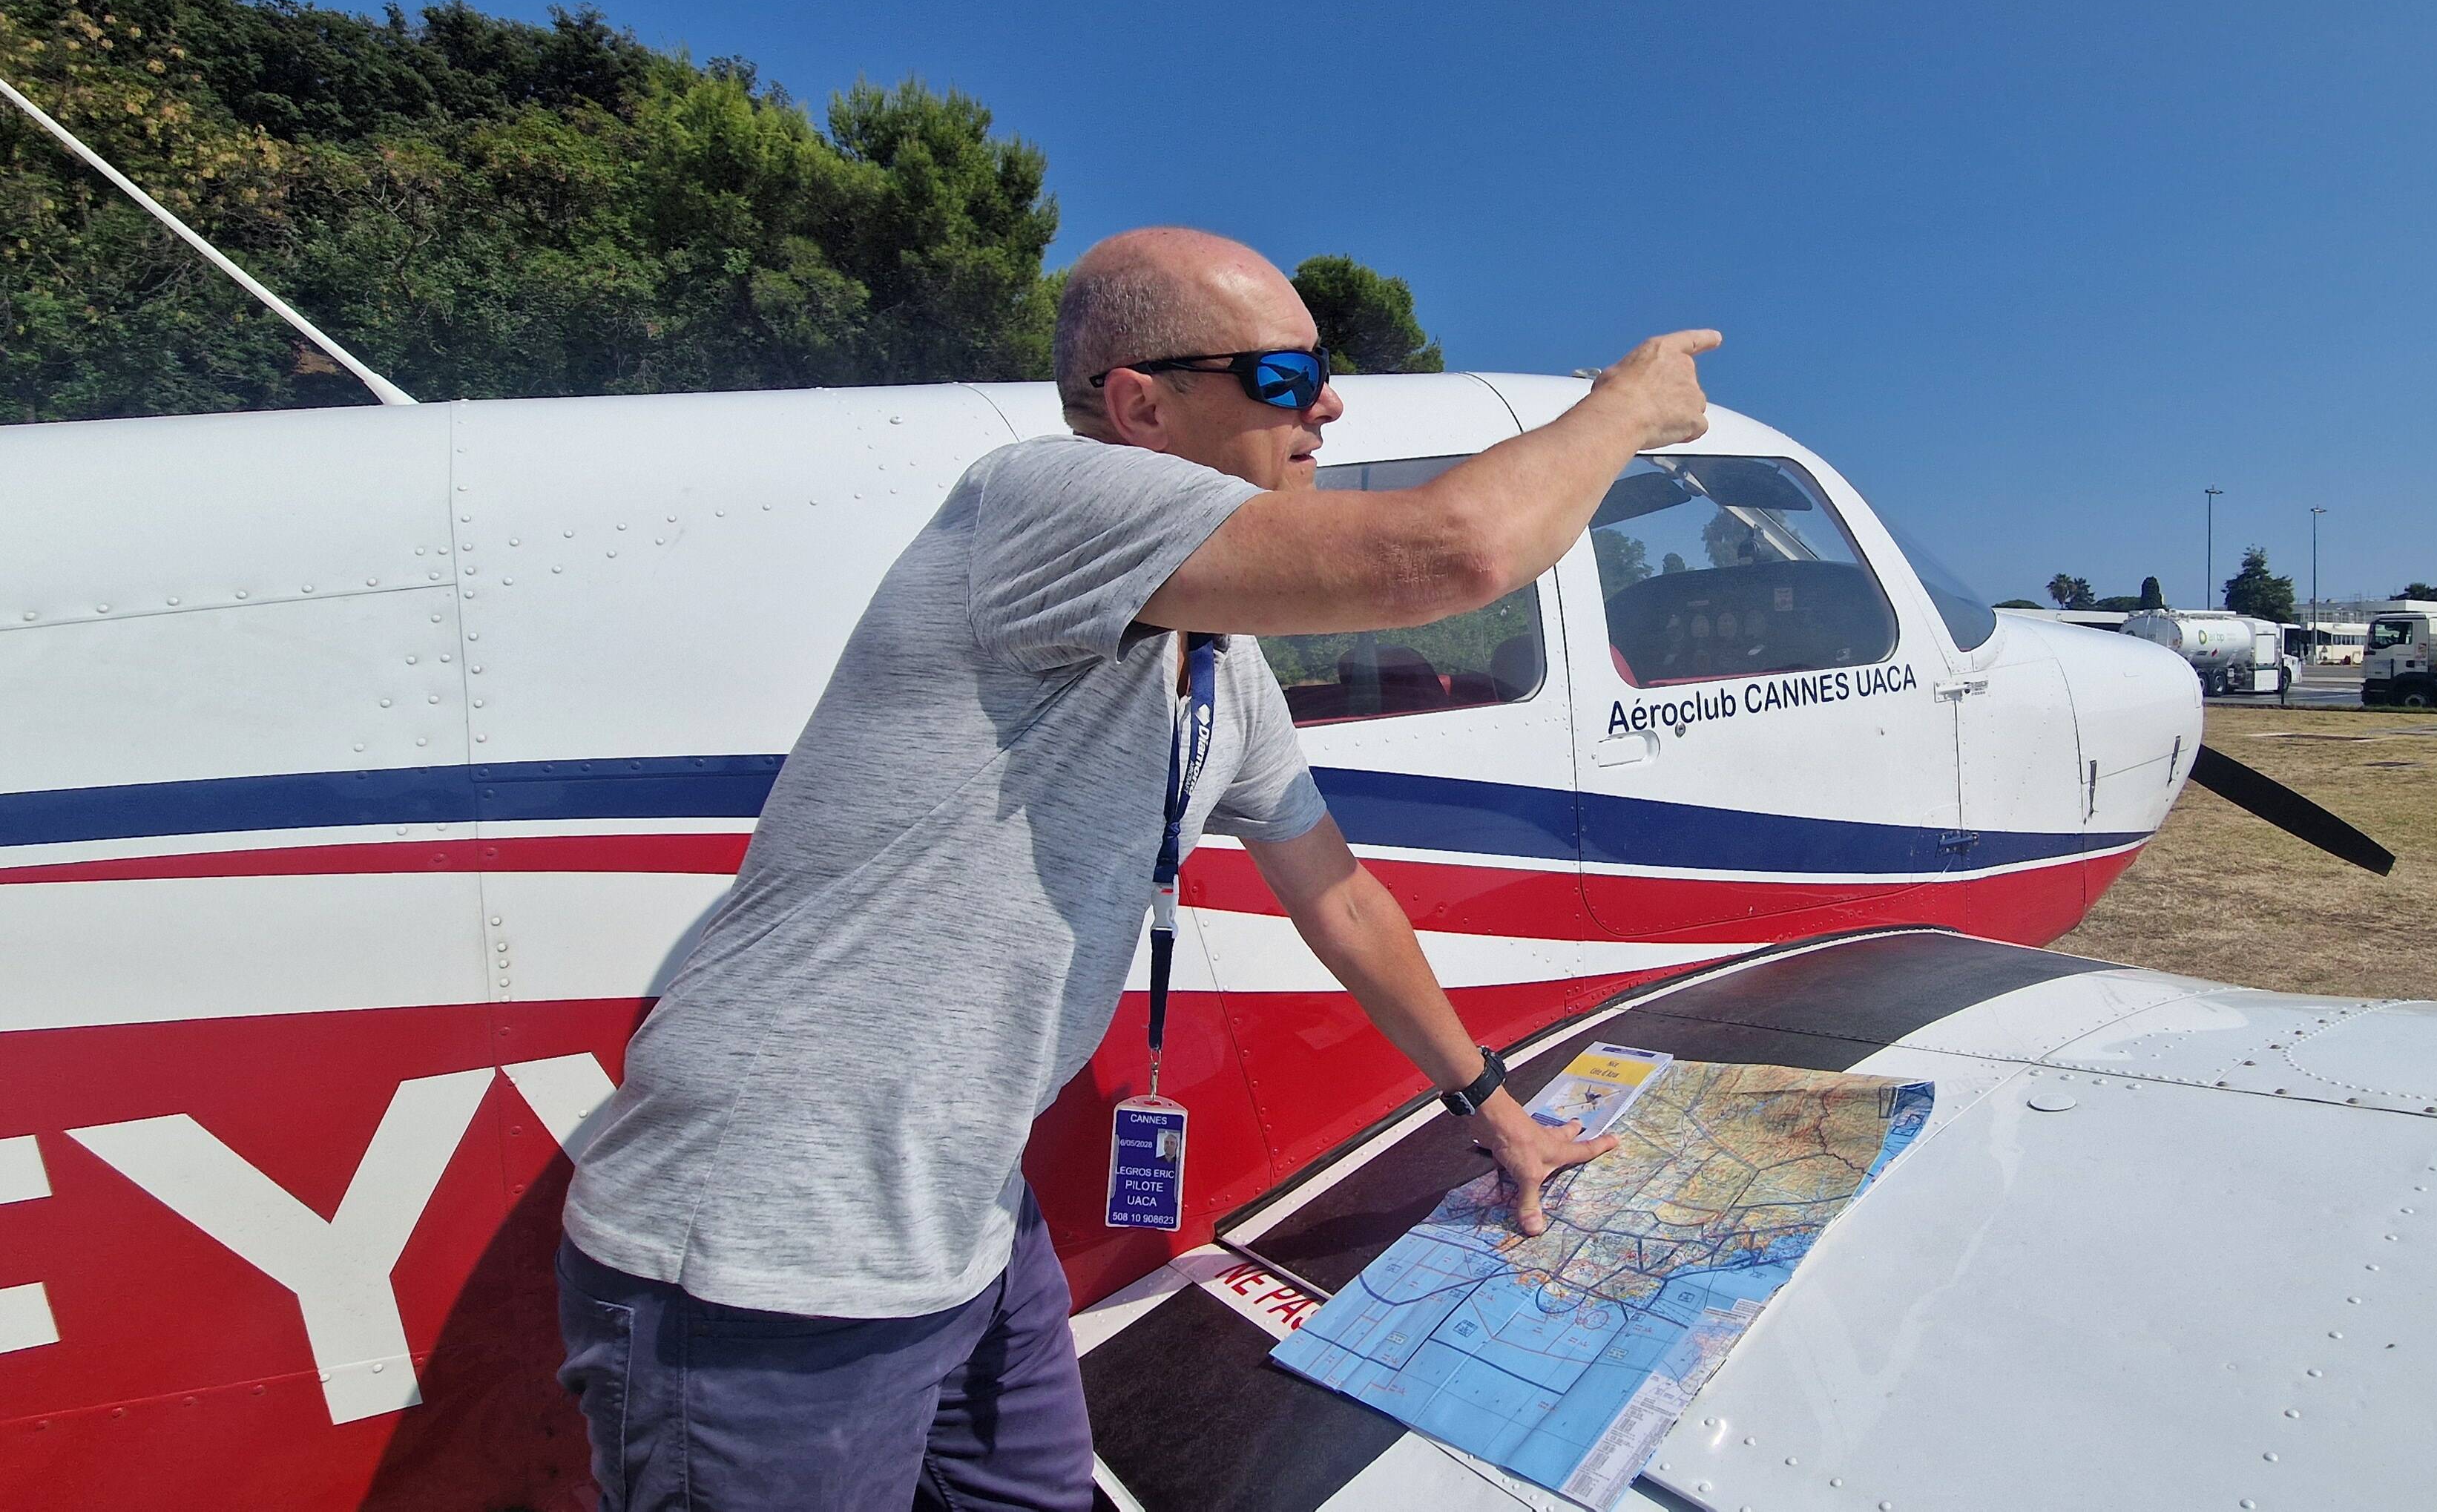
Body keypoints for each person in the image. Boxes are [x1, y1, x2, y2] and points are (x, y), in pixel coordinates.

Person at [551, 226, 1717, 1510]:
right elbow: (1450, 556)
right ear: (1139, 406)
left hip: (961, 1219)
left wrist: (1498, 1116)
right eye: (1282, 377)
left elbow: (1341, 899)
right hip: (769, 1247)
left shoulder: (1222, 663)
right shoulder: (1042, 494)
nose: (1327, 404)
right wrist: (1622, 409)